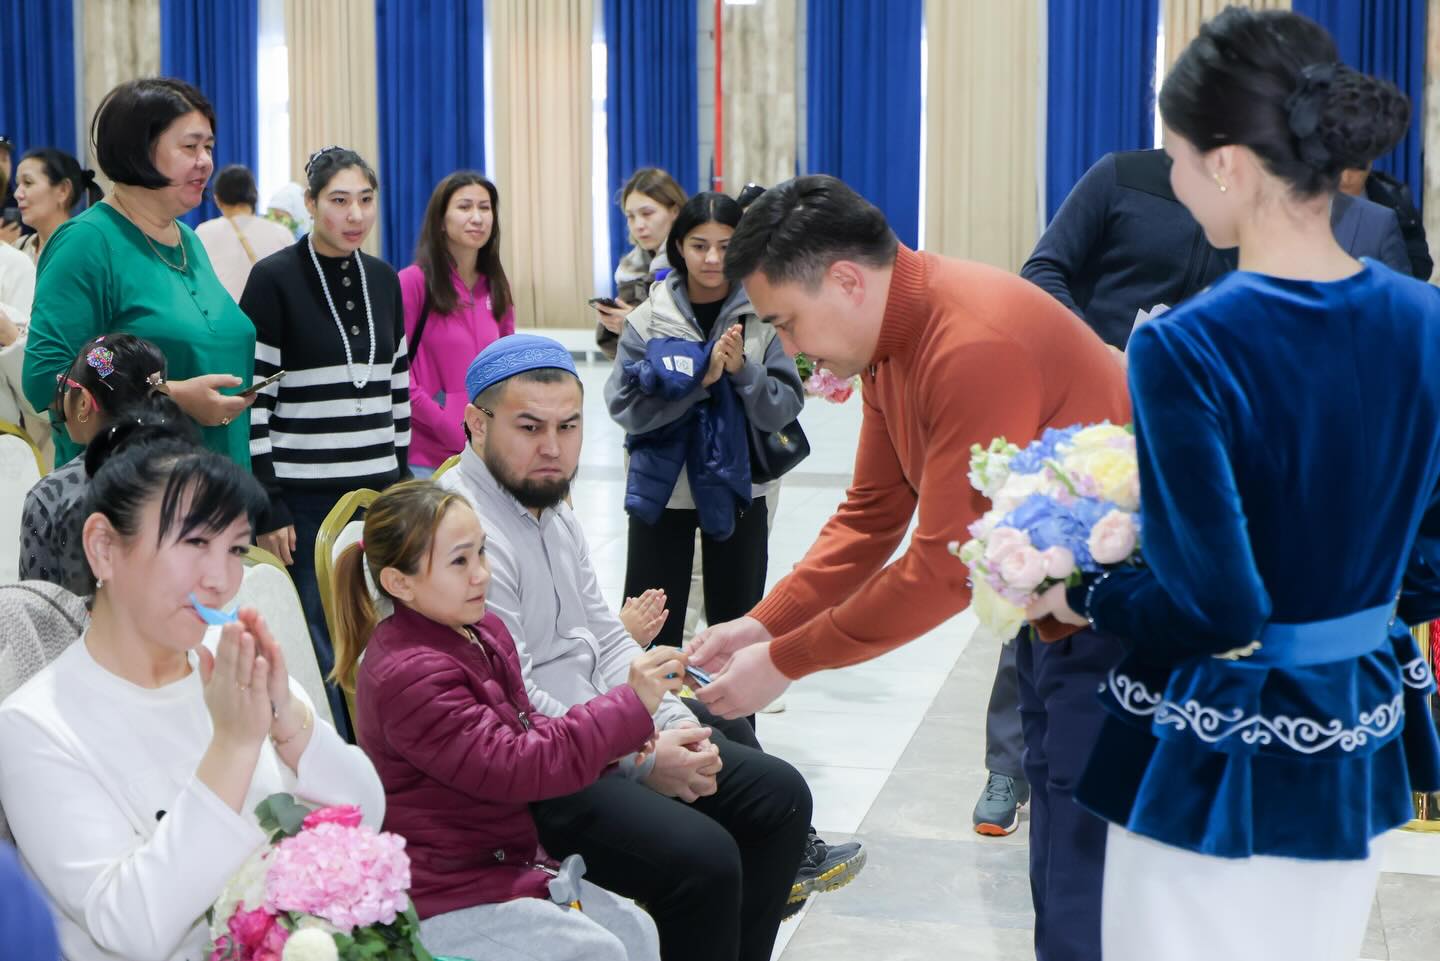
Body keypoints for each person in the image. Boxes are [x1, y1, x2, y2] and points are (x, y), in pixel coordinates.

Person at [1020, 11, 1440, 961]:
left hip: (1215, 752)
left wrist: (1082, 590)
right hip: (1358, 724)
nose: (1169, 179)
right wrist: (1354, 603)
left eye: (1173, 156)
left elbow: (1215, 604)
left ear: (1226, 164)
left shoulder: (1189, 342)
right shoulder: (1425, 319)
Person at [687, 175, 1131, 961]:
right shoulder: (890, 343)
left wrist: (785, 661)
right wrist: (761, 623)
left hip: (1119, 625)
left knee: (1087, 870)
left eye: (786, 322)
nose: (792, 350)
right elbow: (870, 515)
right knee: (1060, 850)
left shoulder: (969, 341)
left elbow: (944, 565)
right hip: (1050, 617)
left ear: (846, 280)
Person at [440, 335, 815, 961]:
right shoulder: (461, 531)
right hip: (538, 770)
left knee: (780, 796)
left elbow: (609, 638)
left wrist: (667, 723)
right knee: (706, 858)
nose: (553, 448)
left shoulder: (547, 502)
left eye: (568, 426)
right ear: (477, 424)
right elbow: (516, 700)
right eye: (529, 427)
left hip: (601, 731)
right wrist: (640, 758)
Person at [0, 437, 384, 961]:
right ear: (104, 548)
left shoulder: (229, 658)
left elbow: (366, 814)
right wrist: (233, 746)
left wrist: (287, 717)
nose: (220, 580)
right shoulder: (33, 725)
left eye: (235, 549)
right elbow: (131, 927)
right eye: (194, 542)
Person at [332, 480, 676, 960]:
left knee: (637, 931)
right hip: (443, 894)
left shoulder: (478, 631)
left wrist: (621, 737)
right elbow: (515, 764)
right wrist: (625, 709)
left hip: (500, 860)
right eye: (459, 562)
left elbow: (526, 726)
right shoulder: (408, 676)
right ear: (399, 583)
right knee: (598, 952)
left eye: (481, 552)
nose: (482, 575)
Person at [241, 145, 408, 736]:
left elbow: (397, 388)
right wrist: (269, 503)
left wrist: (400, 481)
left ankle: (385, 744)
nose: (355, 215)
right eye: (339, 201)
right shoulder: (273, 279)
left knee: (382, 628)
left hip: (377, 495)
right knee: (318, 636)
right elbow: (255, 402)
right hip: (303, 501)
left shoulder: (384, 279)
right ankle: (335, 749)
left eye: (365, 200)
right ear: (310, 204)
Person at [20, 79, 256, 468]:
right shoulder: (86, 242)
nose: (205, 161)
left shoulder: (187, 240)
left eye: (209, 147)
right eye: (190, 147)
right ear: (140, 151)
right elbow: (48, 380)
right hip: (131, 488)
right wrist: (169, 396)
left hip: (215, 484)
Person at [606, 191, 804, 652]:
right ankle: (652, 704)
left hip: (741, 494)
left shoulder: (764, 317)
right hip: (661, 494)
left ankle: (729, 705)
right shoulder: (650, 318)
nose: (713, 258)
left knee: (736, 629)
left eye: (726, 245)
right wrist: (701, 382)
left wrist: (743, 372)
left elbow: (783, 407)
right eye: (699, 245)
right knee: (653, 634)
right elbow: (622, 405)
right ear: (679, 246)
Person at [20, 334, 178, 594]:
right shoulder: (194, 478)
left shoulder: (50, 498)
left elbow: (35, 607)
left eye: (67, 387)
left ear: (83, 402)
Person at [400, 171, 515, 477]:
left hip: (487, 451)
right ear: (441, 220)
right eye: (465, 207)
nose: (477, 218)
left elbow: (508, 365)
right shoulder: (413, 282)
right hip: (426, 456)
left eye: (485, 208)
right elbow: (396, 372)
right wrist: (446, 424)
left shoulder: (497, 285)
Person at [594, 168, 686, 358]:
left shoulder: (690, 263)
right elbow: (616, 349)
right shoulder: (630, 268)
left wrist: (634, 325)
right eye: (631, 216)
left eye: (647, 213)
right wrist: (613, 324)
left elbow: (695, 336)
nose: (638, 225)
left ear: (675, 211)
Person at [194, 164, 296, 301]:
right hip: (269, 311)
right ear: (255, 195)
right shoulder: (281, 233)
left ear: (217, 199)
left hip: (223, 311)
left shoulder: (203, 232)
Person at [12, 148, 103, 264]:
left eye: (28, 183)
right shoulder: (18, 247)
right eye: (17, 185)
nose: (17, 194)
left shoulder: (85, 250)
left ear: (63, 190)